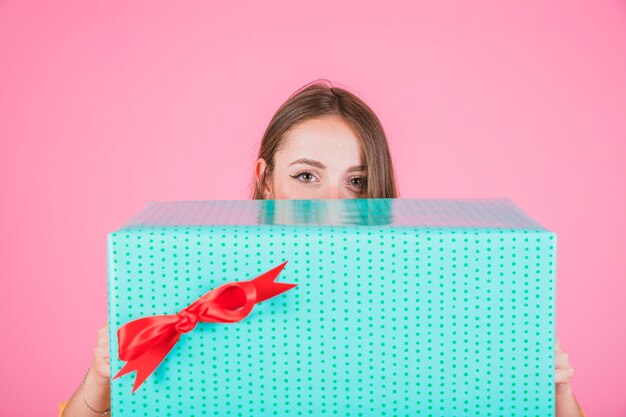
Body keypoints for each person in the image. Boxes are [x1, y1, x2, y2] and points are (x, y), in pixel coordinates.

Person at [59, 80, 586, 416]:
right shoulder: (203, 282)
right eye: (307, 175)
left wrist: (556, 393)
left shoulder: (429, 287)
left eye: (356, 181)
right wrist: (101, 380)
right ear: (265, 179)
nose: (334, 203)